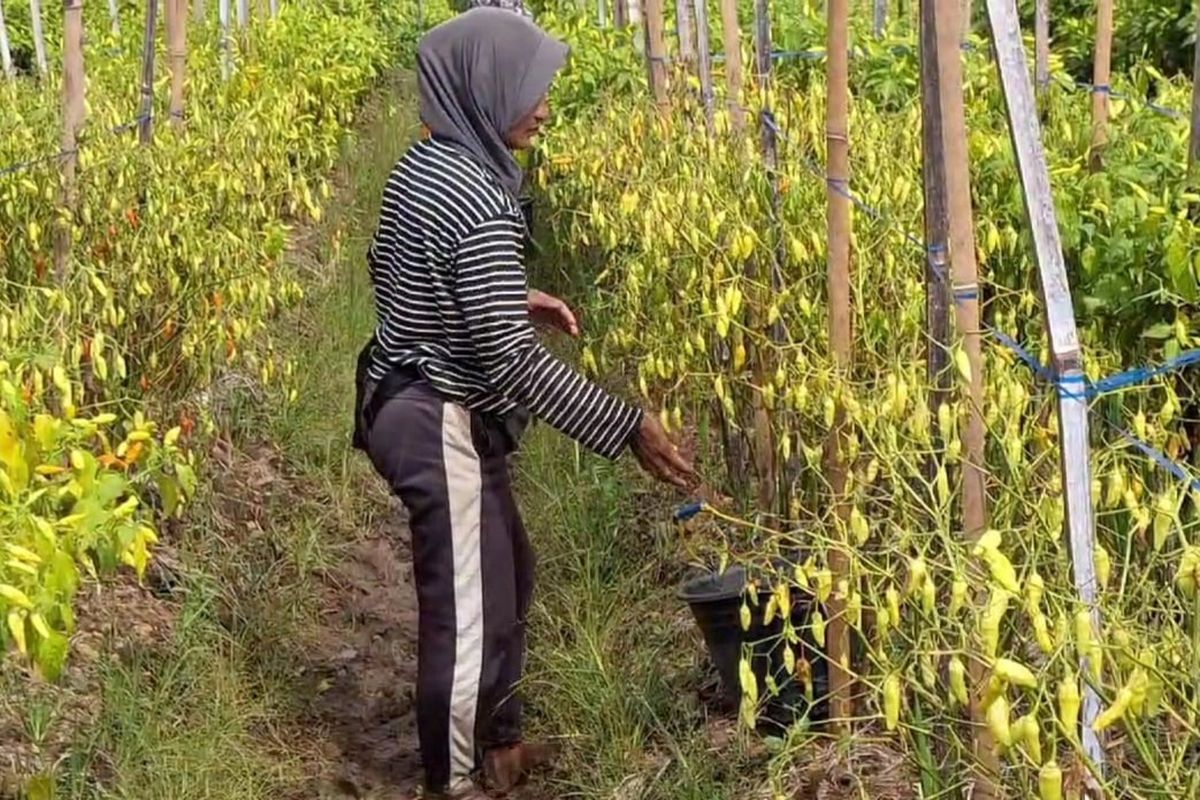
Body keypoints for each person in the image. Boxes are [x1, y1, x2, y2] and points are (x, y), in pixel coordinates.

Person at [352, 10, 694, 799]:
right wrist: (625, 425)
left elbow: (403, 268)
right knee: (467, 613)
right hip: (436, 413)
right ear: (487, 86)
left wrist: (506, 295)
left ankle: (497, 747)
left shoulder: (432, 164)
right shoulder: (474, 195)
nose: (544, 106)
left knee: (510, 574)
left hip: (429, 392)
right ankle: (453, 781)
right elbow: (507, 359)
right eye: (532, 90)